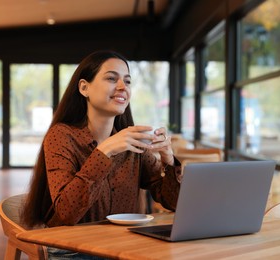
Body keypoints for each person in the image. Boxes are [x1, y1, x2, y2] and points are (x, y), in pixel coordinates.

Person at [21, 50, 181, 259]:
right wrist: (105, 151)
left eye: (128, 81)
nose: (123, 87)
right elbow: (67, 213)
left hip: (124, 246)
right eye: (111, 78)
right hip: (73, 250)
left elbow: (174, 203)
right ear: (84, 87)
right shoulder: (61, 135)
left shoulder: (132, 141)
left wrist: (168, 160)